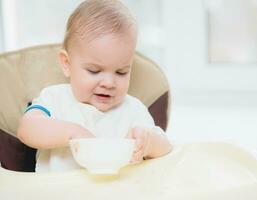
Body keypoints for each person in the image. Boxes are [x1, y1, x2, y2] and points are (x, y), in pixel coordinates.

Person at [17, 0, 172, 172]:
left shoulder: (133, 110)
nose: (108, 83)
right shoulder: (54, 99)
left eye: (121, 72)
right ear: (67, 64)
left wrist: (148, 142)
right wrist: (72, 133)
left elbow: (166, 148)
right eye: (94, 71)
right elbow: (26, 129)